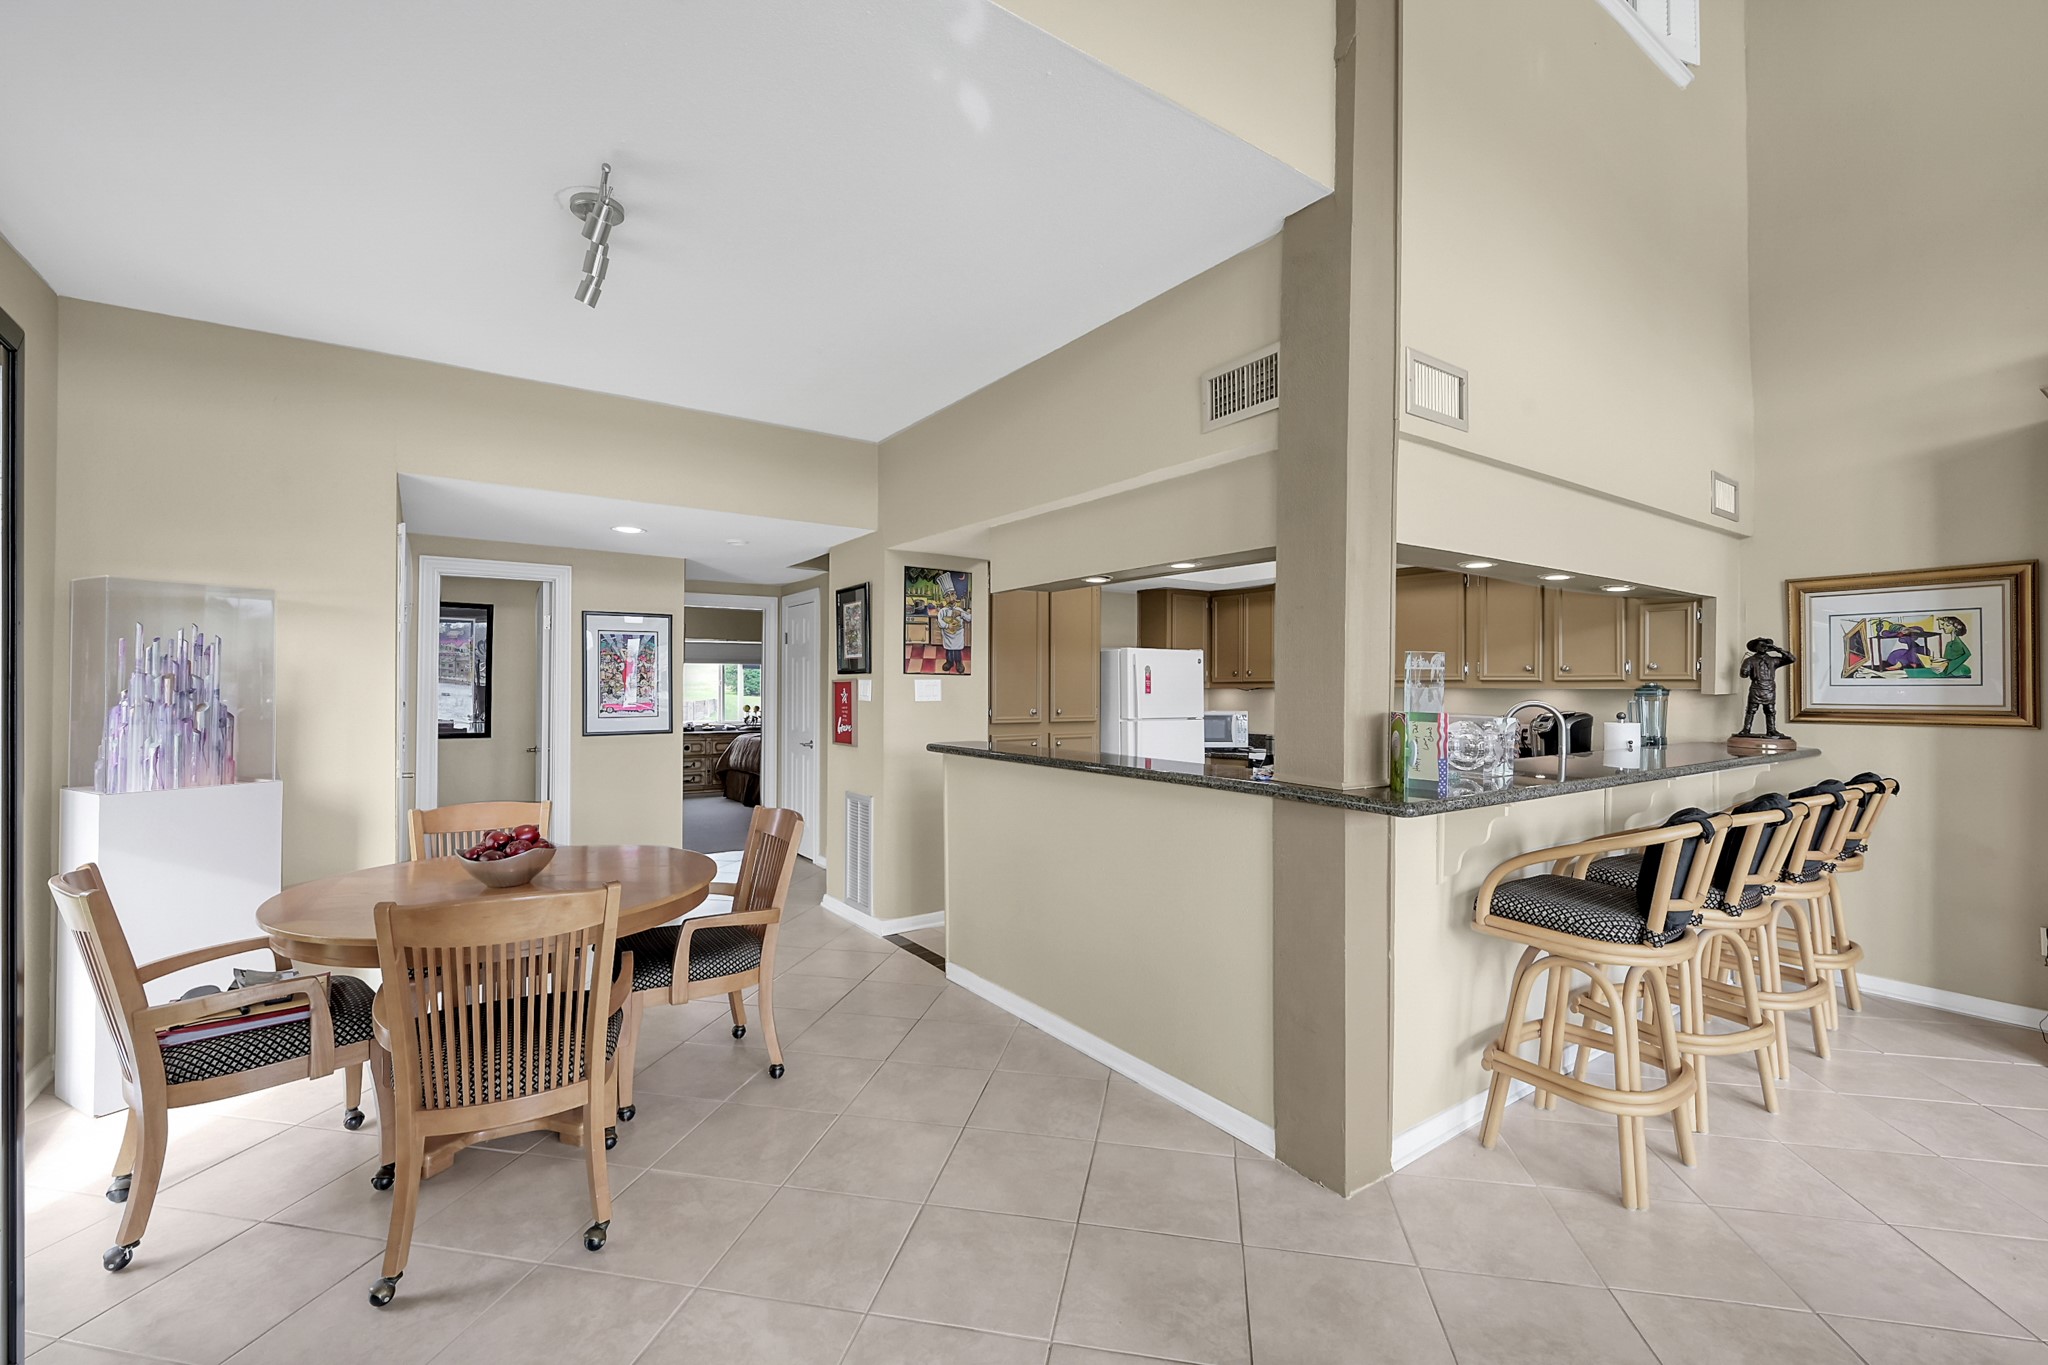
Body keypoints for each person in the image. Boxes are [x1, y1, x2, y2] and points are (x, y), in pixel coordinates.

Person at [1737, 637, 1796, 738]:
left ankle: (1771, 730)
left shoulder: (1773, 660)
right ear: (1756, 647)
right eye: (1761, 645)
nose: (1763, 647)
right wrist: (1744, 671)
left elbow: (1791, 659)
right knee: (1751, 710)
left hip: (1769, 689)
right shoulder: (1750, 660)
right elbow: (1743, 675)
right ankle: (1746, 729)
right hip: (1756, 688)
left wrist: (1778, 649)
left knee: (1770, 710)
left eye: (1765, 645)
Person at [935, 594, 970, 673]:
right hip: (947, 634)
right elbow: (940, 623)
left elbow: (969, 618)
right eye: (947, 596)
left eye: (952, 596)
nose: (950, 599)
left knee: (957, 650)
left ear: (955, 597)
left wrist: (961, 614)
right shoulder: (942, 611)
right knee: (949, 650)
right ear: (945, 599)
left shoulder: (959, 610)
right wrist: (948, 625)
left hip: (958, 634)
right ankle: (949, 662)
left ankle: (959, 663)